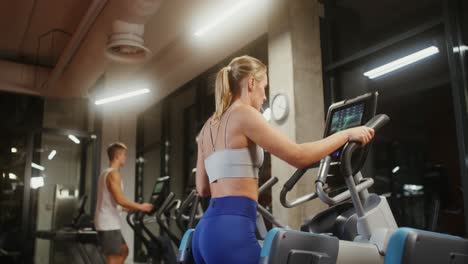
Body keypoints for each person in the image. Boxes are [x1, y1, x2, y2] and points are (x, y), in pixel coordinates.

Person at [192, 55, 374, 264]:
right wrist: (346, 135)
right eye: (264, 87)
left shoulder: (207, 127)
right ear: (251, 82)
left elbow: (203, 189)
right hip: (232, 232)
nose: (264, 97)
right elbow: (299, 156)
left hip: (205, 232)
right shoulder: (245, 114)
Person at [94, 142, 153, 264]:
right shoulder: (113, 174)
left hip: (107, 222)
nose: (125, 158)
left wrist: (125, 209)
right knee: (113, 258)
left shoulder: (104, 173)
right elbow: (120, 200)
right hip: (108, 224)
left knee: (124, 250)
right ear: (117, 156)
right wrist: (141, 207)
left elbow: (109, 200)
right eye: (124, 155)